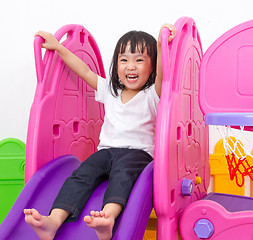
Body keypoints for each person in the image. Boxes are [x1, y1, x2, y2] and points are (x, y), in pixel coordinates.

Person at [23, 23, 176, 240]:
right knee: (81, 175)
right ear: (116, 65)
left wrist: (161, 47)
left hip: (137, 153)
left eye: (139, 60)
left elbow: (163, 76)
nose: (130, 66)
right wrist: (58, 47)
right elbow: (84, 70)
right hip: (106, 151)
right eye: (124, 60)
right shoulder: (110, 91)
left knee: (122, 176)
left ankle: (108, 218)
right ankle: (53, 221)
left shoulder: (152, 94)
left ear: (151, 67)